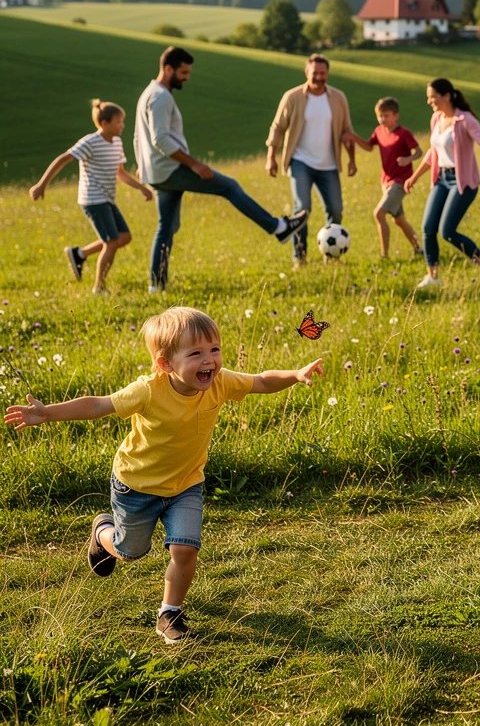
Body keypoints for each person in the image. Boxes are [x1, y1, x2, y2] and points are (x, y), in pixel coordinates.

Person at [3, 305, 323, 644]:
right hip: (136, 486)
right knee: (130, 552)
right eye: (196, 353)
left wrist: (294, 374)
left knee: (185, 549)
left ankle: (169, 613)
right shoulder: (148, 390)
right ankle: (102, 533)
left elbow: (259, 381)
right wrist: (47, 413)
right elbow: (98, 405)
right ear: (166, 364)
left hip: (186, 485)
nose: (210, 360)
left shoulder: (221, 383)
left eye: (215, 349)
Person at [136, 45, 307, 291]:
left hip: (156, 171)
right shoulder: (161, 97)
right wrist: (194, 164)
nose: (187, 77)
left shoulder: (148, 93)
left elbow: (138, 135)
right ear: (168, 68)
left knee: (167, 226)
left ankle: (156, 285)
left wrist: (143, 164)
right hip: (170, 170)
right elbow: (159, 140)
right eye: (183, 72)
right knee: (229, 186)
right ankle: (277, 227)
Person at [29, 99, 153, 294]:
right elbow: (63, 159)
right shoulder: (90, 142)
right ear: (104, 124)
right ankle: (99, 288)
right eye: (118, 121)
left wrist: (141, 188)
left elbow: (119, 173)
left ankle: (79, 253)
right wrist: (41, 184)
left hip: (107, 199)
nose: (122, 125)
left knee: (124, 237)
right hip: (93, 200)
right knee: (111, 243)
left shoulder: (117, 142)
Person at [403, 78, 480, 289]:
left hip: (463, 182)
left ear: (447, 96)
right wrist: (414, 177)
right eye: (428, 97)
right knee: (427, 228)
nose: (429, 101)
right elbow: (434, 152)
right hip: (441, 179)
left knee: (448, 231)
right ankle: (433, 278)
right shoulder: (436, 119)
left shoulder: (465, 120)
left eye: (433, 97)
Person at [265, 53, 356, 267]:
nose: (319, 77)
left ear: (328, 74)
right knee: (302, 209)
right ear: (307, 72)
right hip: (300, 162)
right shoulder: (293, 97)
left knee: (335, 210)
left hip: (329, 164)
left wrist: (352, 160)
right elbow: (277, 127)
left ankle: (331, 257)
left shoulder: (338, 98)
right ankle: (300, 257)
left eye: (323, 73)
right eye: (315, 73)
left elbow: (347, 130)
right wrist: (271, 157)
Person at [344, 96, 422, 258]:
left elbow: (419, 152)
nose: (382, 119)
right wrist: (353, 137)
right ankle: (419, 249)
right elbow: (368, 147)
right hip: (385, 181)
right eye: (380, 116)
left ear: (396, 116)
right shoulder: (379, 131)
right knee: (399, 220)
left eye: (386, 116)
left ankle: (384, 255)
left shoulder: (404, 134)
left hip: (401, 181)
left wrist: (408, 159)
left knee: (379, 214)